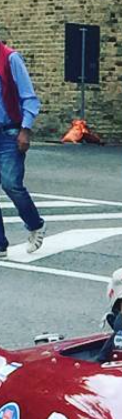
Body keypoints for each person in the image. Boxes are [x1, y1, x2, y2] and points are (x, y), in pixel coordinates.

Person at [0, 36, 46, 256]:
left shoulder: (10, 58)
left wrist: (25, 129)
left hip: (10, 131)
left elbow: (29, 97)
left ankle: (35, 224)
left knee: (11, 184)